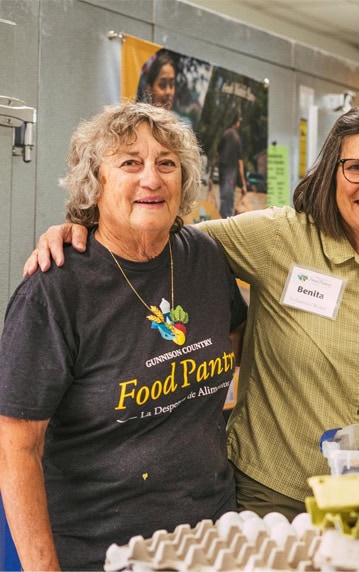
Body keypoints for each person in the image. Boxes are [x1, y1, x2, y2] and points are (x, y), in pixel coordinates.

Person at [24, 103, 359, 521]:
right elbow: (153, 234)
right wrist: (79, 229)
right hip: (277, 494)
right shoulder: (278, 237)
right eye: (357, 168)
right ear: (332, 173)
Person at [0, 102, 248, 571]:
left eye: (167, 163)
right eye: (130, 162)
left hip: (214, 538)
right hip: (104, 551)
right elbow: (15, 447)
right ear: (95, 182)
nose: (151, 179)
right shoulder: (55, 289)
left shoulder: (204, 258)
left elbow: (234, 331)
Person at [216, 111, 247, 218]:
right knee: (228, 206)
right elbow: (240, 162)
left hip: (222, 174)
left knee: (223, 201)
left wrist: (211, 175)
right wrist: (243, 183)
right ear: (237, 122)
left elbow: (217, 154)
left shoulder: (225, 134)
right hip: (230, 175)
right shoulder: (236, 138)